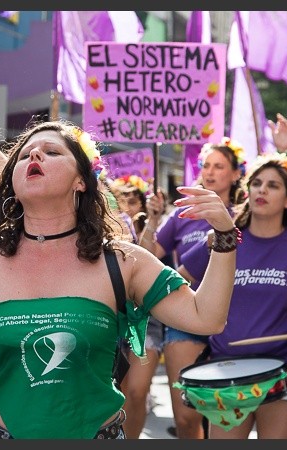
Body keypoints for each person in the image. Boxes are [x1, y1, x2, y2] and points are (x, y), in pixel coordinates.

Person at [0, 118, 238, 439]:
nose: (34, 156)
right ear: (12, 179)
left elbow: (207, 316)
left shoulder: (121, 260)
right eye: (25, 155)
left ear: (80, 181)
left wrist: (223, 235)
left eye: (52, 152)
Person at [139, 113, 287, 439]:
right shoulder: (183, 211)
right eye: (205, 165)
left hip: (238, 325)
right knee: (186, 416)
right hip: (189, 317)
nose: (209, 172)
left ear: (237, 174)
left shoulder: (247, 214)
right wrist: (152, 220)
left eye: (218, 166)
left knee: (220, 416)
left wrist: (283, 151)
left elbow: (280, 189)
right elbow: (153, 259)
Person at [177, 152, 287, 439]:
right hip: (225, 370)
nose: (262, 190)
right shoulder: (221, 239)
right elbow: (178, 280)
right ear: (247, 191)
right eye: (256, 183)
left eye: (273, 185)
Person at [107, 174, 165, 439]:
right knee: (118, 391)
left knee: (137, 391)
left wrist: (152, 221)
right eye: (124, 200)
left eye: (134, 200)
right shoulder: (100, 224)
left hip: (144, 319)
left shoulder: (136, 226)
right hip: (111, 318)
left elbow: (147, 261)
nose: (128, 205)